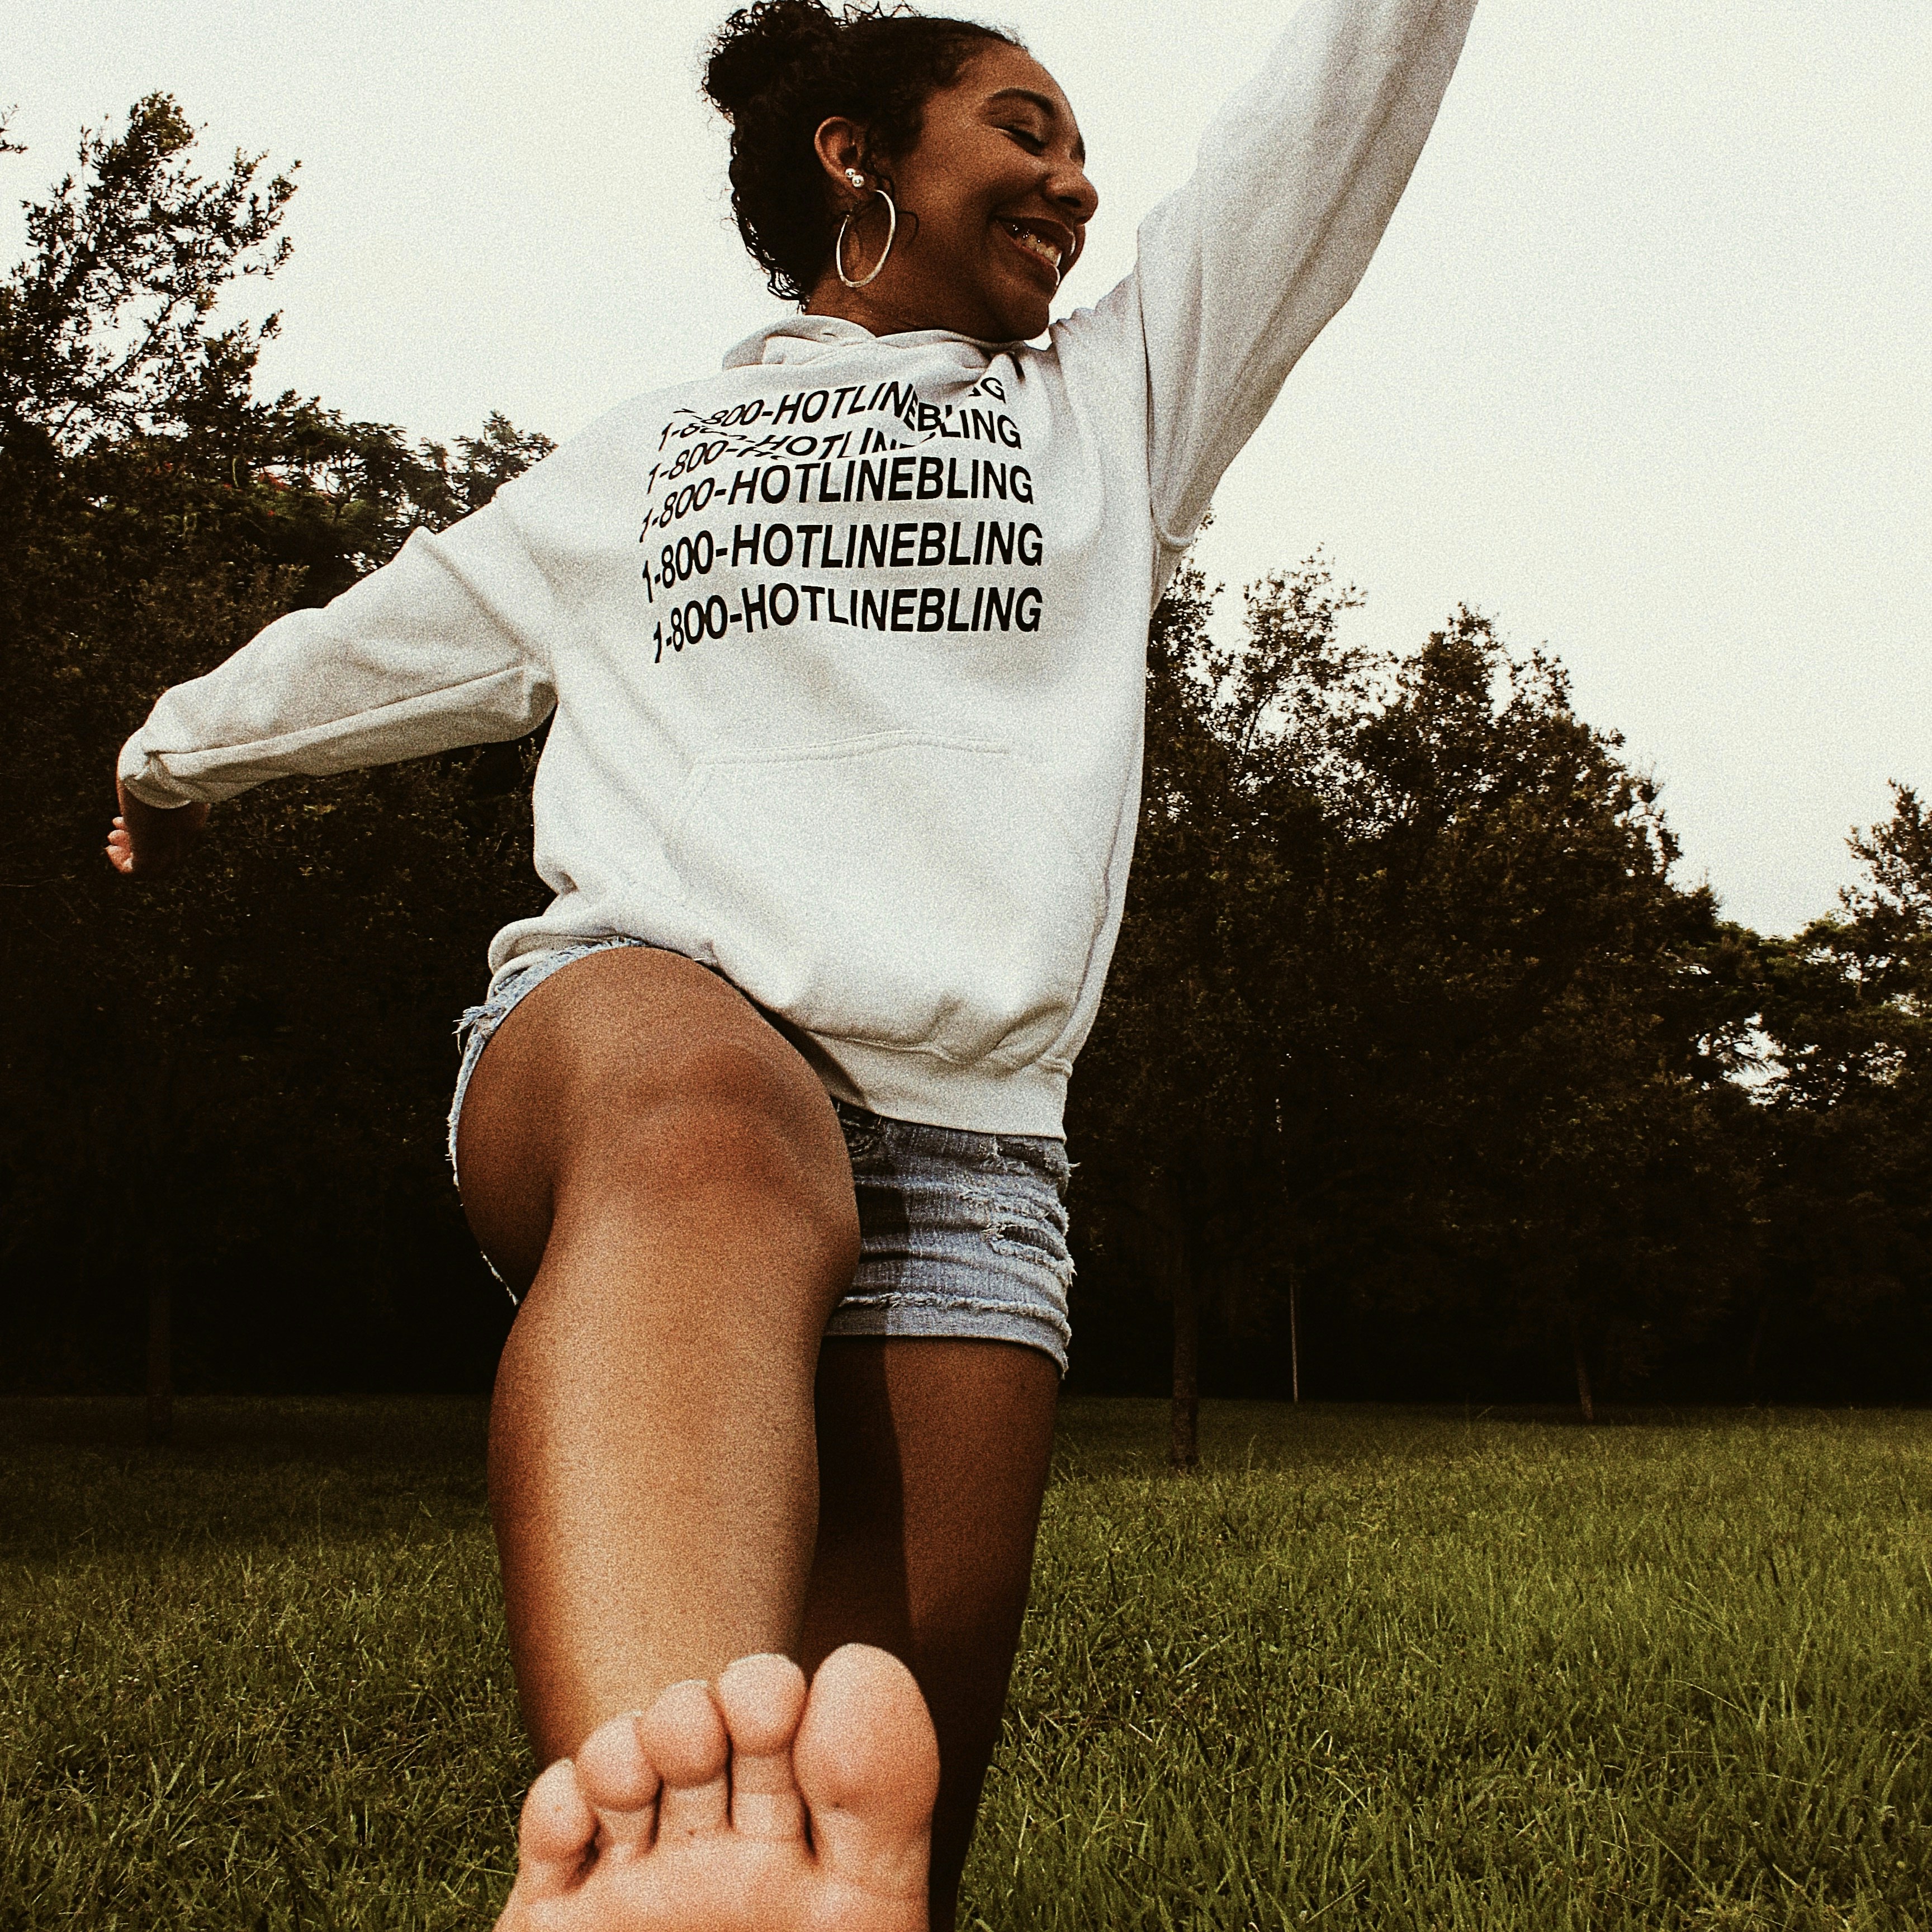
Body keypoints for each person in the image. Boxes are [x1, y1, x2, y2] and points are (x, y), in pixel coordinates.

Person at [108, 0, 1478, 1923]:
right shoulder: (642, 461)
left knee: (869, 1792)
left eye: (1083, 151)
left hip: (962, 1166)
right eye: (1024, 129)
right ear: (859, 156)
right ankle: (646, 1862)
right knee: (717, 1127)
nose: (1077, 182)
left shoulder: (1115, 405)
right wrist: (170, 754)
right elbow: (388, 634)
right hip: (640, 1034)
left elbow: (1323, 123)